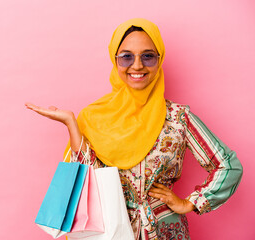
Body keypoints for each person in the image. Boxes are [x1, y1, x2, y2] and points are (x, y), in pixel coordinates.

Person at [25, 18, 243, 240]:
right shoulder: (94, 117)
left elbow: (228, 166)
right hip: (112, 232)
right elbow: (89, 181)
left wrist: (190, 203)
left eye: (147, 56)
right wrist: (71, 123)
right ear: (115, 60)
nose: (137, 65)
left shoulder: (178, 117)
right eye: (126, 56)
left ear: (159, 60)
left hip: (165, 231)